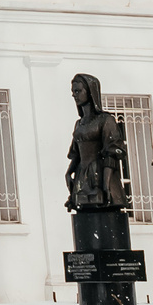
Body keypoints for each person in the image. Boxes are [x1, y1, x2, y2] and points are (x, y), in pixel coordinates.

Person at [64, 73, 128, 213]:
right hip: (82, 177)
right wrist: (69, 174)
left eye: (78, 91)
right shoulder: (78, 124)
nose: (74, 95)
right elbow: (76, 155)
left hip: (100, 177)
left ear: (90, 92)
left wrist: (106, 186)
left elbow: (111, 153)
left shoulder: (105, 120)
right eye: (73, 92)